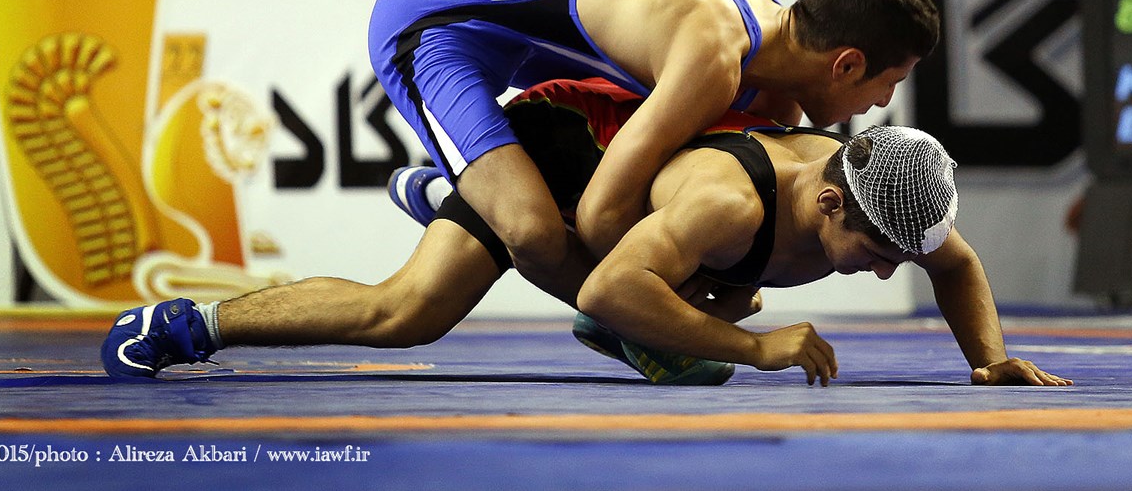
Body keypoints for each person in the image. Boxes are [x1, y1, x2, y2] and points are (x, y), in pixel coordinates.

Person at [101, 78, 1070, 388]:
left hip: (628, 211)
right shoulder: (729, 204)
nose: (889, 273)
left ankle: (452, 197)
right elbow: (609, 290)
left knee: (700, 317)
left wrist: (989, 360)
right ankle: (186, 323)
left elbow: (957, 263)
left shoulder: (883, 193)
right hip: (553, 149)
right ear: (827, 205)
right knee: (407, 315)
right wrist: (755, 348)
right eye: (878, 256)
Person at [364, 0, 940, 327]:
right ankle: (475, 198)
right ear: (846, 63)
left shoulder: (771, 76)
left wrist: (710, 276)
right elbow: (601, 217)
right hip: (435, 22)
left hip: (531, 15)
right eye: (890, 82)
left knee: (684, 225)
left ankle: (471, 191)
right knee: (534, 233)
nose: (882, 104)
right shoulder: (715, 56)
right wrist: (678, 309)